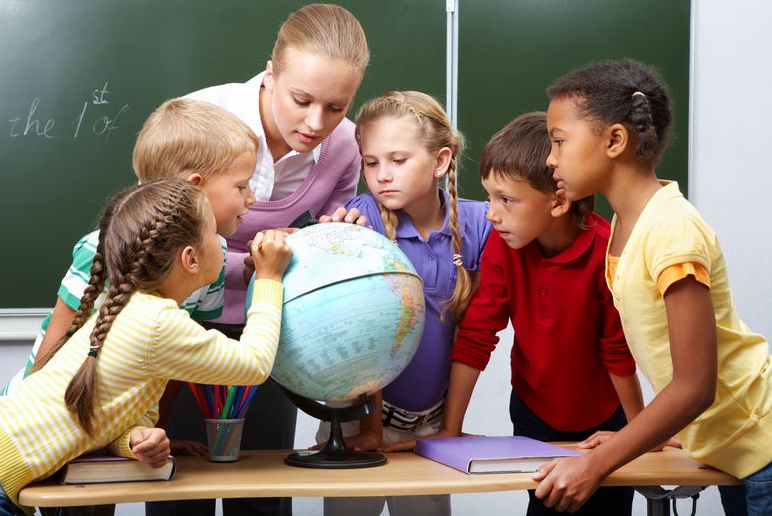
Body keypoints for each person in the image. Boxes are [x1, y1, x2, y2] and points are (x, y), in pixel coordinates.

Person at [0, 98, 258, 516]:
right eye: (242, 186)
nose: (252, 198)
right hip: (48, 423)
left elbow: (171, 367)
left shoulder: (212, 261)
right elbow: (54, 347)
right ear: (196, 188)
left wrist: (152, 431)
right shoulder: (102, 249)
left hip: (106, 429)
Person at [0, 179, 291, 516]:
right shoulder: (157, 322)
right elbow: (254, 365)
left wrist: (134, 441)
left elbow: (100, 416)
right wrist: (270, 278)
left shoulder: (133, 311)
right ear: (191, 259)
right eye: (215, 234)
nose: (223, 243)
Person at [537, 59, 772, 515]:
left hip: (760, 446)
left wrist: (600, 463)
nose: (551, 158)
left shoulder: (671, 229)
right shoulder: (630, 225)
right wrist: (644, 433)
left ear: (615, 141)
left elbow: (694, 386)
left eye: (559, 141)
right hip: (734, 451)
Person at [167, 2, 369, 516]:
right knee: (176, 487)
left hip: (273, 325)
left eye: (337, 106)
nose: (316, 122)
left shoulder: (345, 145)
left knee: (262, 488)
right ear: (270, 72)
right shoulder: (199, 122)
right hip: (183, 326)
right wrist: (254, 267)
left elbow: (314, 238)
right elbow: (161, 246)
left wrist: (335, 243)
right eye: (301, 99)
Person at [436, 112, 641, 515]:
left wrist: (639, 433)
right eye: (489, 196)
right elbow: (476, 336)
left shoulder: (606, 252)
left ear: (559, 201)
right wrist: (449, 430)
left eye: (506, 200)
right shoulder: (503, 245)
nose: (491, 214)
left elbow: (617, 351)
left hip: (604, 419)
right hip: (534, 414)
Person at [315, 91, 491, 516]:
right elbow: (365, 334)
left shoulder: (479, 223)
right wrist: (373, 429)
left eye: (398, 160)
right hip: (360, 418)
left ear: (441, 161)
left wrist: (449, 429)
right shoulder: (363, 220)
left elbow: (477, 333)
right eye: (371, 163)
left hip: (430, 425)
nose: (382, 176)